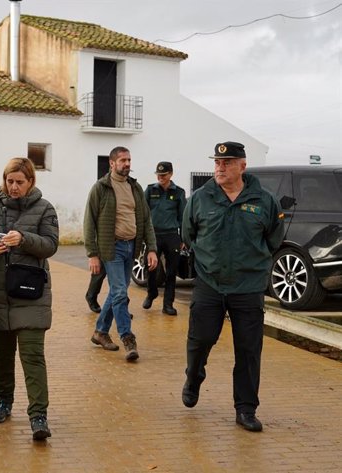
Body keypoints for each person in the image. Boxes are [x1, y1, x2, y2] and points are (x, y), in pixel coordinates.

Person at [181, 141, 284, 432]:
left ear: (242, 166)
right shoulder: (201, 198)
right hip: (210, 284)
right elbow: (188, 235)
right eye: (217, 162)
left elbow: (273, 239)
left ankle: (246, 409)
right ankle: (194, 376)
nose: (220, 167)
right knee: (200, 339)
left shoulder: (264, 200)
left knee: (249, 350)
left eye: (227, 162)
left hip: (248, 286)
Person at [0, 157, 59, 441]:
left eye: (20, 181)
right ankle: (3, 403)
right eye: (9, 181)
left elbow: (50, 245)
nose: (13, 186)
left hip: (32, 294)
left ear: (31, 181)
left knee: (32, 355)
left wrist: (23, 239)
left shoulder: (45, 209)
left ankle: (38, 416)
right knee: (2, 354)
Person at [84, 146, 157, 361]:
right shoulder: (101, 188)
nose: (127, 164)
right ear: (112, 162)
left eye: (129, 160)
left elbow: (146, 220)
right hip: (111, 248)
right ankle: (128, 338)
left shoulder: (135, 188)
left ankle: (100, 332)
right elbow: (89, 222)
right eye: (123, 160)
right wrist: (92, 253)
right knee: (119, 293)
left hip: (130, 247)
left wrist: (151, 248)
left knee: (117, 292)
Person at [142, 161, 186, 316]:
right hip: (153, 235)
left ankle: (168, 304)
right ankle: (151, 292)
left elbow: (183, 217)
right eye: (158, 175)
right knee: (151, 267)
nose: (160, 177)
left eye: (164, 174)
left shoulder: (179, 192)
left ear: (171, 174)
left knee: (171, 271)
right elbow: (143, 214)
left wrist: (182, 239)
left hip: (171, 235)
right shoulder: (150, 190)